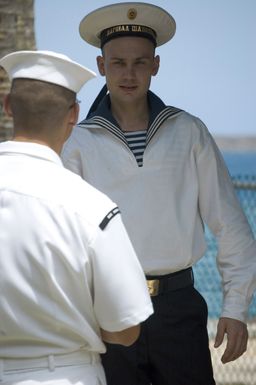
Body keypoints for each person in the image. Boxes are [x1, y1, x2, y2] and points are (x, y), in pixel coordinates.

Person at [61, 3, 256, 385]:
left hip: (178, 310)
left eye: (139, 62)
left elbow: (231, 224)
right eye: (118, 63)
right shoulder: (77, 142)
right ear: (101, 66)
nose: (129, 73)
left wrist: (234, 308)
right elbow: (65, 238)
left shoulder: (188, 132)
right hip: (106, 310)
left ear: (156, 65)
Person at [0, 50, 154, 385]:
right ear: (74, 114)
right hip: (67, 374)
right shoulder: (93, 208)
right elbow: (126, 329)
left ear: (8, 105)